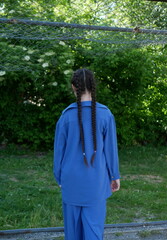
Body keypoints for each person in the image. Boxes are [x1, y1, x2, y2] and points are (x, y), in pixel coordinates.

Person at [53, 68, 120, 240]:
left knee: (72, 233)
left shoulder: (66, 117)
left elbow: (58, 153)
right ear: (93, 86)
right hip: (96, 183)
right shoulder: (105, 114)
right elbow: (111, 150)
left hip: (70, 181)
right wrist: (115, 176)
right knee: (93, 232)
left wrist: (59, 177)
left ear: (74, 87)